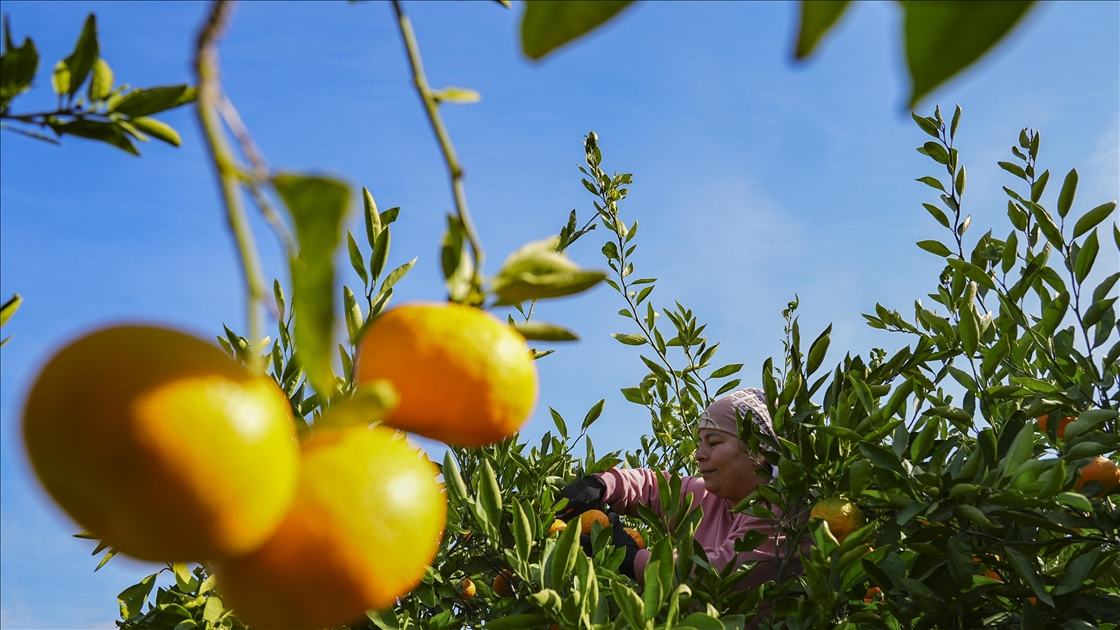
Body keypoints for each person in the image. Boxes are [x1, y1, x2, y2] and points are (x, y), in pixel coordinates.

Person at [558, 388, 790, 587]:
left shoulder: (783, 514)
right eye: (700, 443)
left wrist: (630, 559)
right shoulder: (709, 498)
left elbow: (719, 573)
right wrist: (601, 485)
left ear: (758, 450)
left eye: (714, 442)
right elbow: (653, 487)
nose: (699, 454)